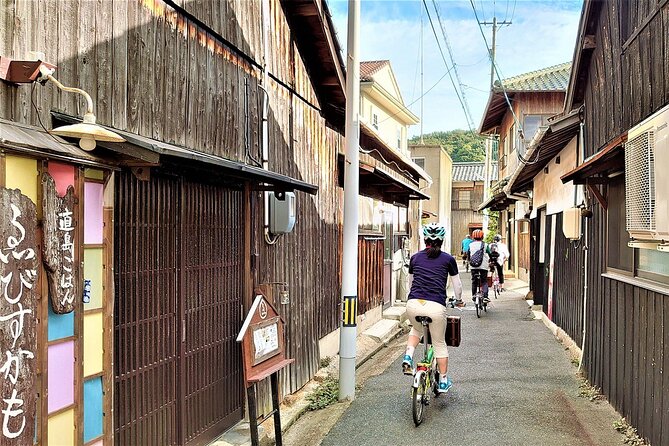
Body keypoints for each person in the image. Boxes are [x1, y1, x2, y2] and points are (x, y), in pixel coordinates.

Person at [402, 223, 463, 394]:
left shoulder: (415, 258)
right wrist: (459, 301)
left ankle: (408, 356)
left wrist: (412, 296)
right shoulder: (448, 259)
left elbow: (410, 283)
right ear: (442, 240)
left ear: (424, 239)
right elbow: (457, 285)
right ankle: (443, 380)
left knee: (416, 329)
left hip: (413, 304)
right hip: (436, 306)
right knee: (438, 343)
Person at [467, 229, 490, 303]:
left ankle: (474, 296)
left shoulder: (470, 245)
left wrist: (469, 261)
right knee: (484, 281)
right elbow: (489, 253)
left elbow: (468, 255)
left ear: (473, 237)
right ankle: (485, 297)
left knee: (474, 281)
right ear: (482, 237)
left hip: (473, 266)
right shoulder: (485, 245)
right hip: (483, 266)